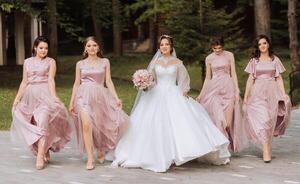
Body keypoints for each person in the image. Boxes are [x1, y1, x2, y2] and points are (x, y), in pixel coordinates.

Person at [112, 35, 230, 173]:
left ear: (171, 46)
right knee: (155, 123)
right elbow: (152, 80)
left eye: (167, 44)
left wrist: (184, 90)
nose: (164, 47)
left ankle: (177, 153)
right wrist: (144, 83)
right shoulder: (155, 63)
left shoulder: (178, 63)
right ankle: (157, 154)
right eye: (162, 45)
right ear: (159, 47)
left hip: (173, 93)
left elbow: (184, 79)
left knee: (178, 123)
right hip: (156, 94)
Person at [11, 36, 72, 170]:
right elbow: (24, 82)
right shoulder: (27, 62)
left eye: (46, 48)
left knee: (43, 120)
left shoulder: (51, 62)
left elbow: (51, 80)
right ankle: (44, 149)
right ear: (35, 48)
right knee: (34, 123)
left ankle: (40, 155)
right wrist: (17, 99)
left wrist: (54, 97)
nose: (44, 51)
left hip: (44, 95)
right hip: (30, 96)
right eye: (41, 48)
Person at [69, 36, 128, 170]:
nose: (92, 48)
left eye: (94, 45)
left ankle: (101, 148)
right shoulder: (80, 64)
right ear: (85, 48)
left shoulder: (105, 62)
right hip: (83, 97)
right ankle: (90, 158)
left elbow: (108, 81)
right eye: (89, 46)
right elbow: (76, 83)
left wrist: (116, 98)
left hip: (100, 96)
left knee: (100, 124)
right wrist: (72, 102)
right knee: (86, 124)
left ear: (99, 47)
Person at [243, 34, 291, 163]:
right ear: (257, 47)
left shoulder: (275, 60)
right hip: (257, 92)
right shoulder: (254, 61)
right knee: (263, 120)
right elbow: (249, 80)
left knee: (270, 121)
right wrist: (246, 97)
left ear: (268, 44)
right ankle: (265, 150)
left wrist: (283, 93)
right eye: (259, 44)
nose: (262, 46)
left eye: (264, 43)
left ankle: (268, 147)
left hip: (272, 92)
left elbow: (279, 78)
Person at [196, 36, 248, 152]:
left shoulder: (229, 55)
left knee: (228, 123)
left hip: (228, 87)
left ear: (223, 47)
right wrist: (201, 94)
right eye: (215, 48)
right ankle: (222, 150)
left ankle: (227, 145)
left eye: (219, 48)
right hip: (214, 90)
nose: (218, 50)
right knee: (219, 119)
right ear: (212, 48)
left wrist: (237, 90)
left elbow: (233, 73)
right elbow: (208, 78)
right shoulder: (209, 58)